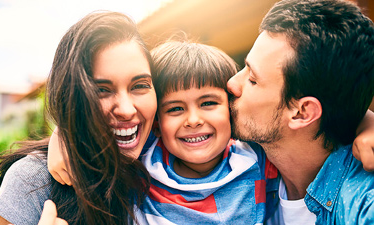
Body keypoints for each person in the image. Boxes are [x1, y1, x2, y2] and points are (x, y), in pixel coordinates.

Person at [0, 11, 157, 225]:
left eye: (140, 85)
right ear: (72, 96)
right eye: (102, 90)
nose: (126, 110)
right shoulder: (32, 180)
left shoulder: (169, 157)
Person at [226, 0, 374, 224]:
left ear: (303, 112)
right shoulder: (247, 162)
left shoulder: (362, 207)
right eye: (244, 67)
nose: (232, 84)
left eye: (253, 79)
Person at [134, 40, 272, 224]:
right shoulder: (141, 172)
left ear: (231, 108)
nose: (193, 121)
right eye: (175, 109)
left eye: (208, 103)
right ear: (157, 124)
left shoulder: (256, 157)